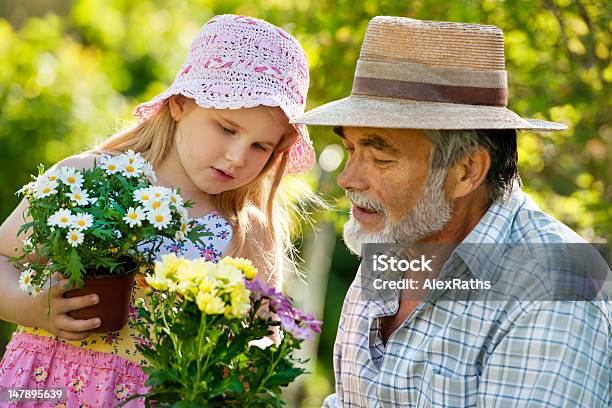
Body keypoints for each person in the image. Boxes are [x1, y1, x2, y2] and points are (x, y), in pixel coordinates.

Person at [294, 16, 611, 407]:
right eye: (352, 150)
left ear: (466, 171)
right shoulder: (397, 241)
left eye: (380, 157)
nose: (347, 178)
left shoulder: (556, 286)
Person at [0, 14, 315, 406]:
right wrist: (32, 308)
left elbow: (263, 337)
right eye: (227, 129)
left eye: (260, 147)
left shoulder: (245, 232)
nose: (236, 157)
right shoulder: (89, 178)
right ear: (180, 104)